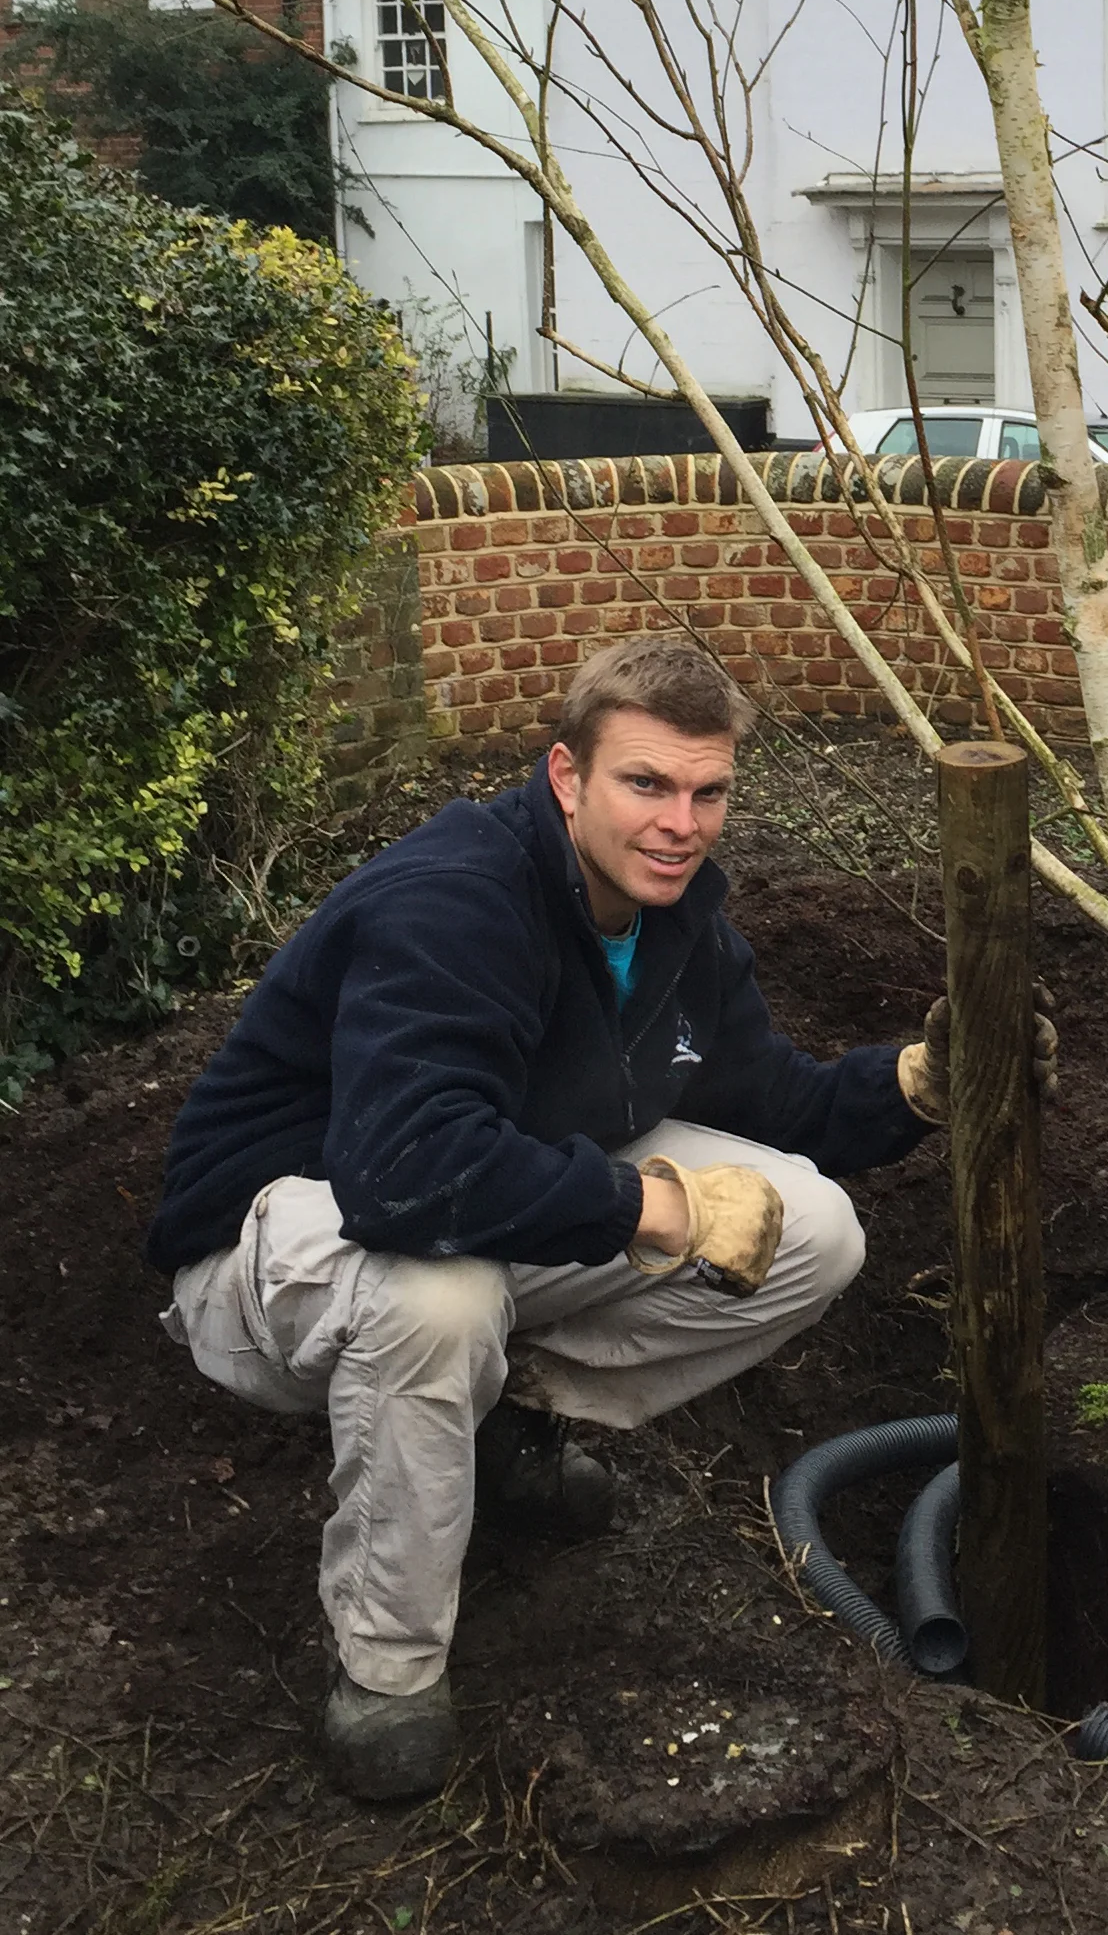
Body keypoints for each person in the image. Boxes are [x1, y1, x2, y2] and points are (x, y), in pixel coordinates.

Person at [145, 636, 996, 1802]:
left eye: (708, 792)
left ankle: (496, 1428)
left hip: (458, 1203)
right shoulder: (455, 901)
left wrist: (911, 1083)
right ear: (566, 775)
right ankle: (387, 1668)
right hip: (271, 1241)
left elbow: (774, 1098)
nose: (679, 822)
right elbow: (402, 1172)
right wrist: (647, 1204)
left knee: (814, 1226)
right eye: (645, 783)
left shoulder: (678, 919)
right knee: (432, 1298)